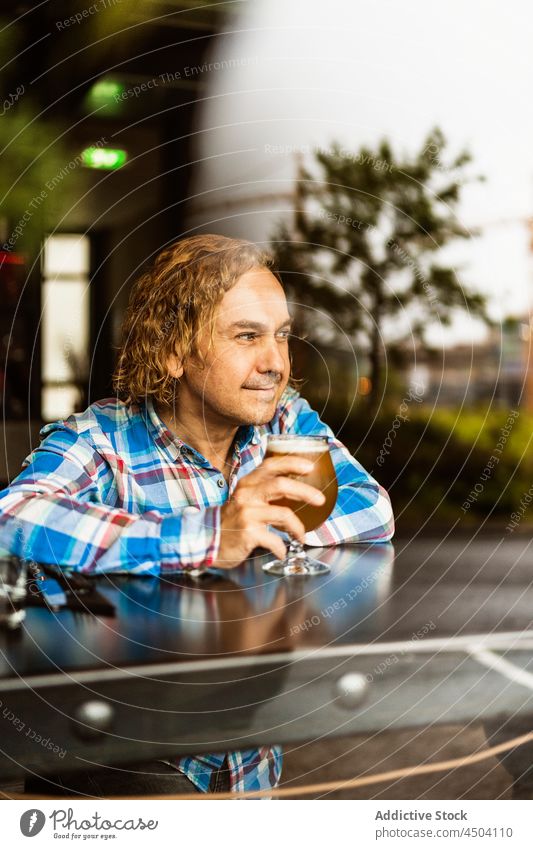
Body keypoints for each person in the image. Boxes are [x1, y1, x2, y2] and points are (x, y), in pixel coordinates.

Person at [0, 234, 394, 798]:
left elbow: (372, 506)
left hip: (251, 771)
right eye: (247, 336)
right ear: (174, 352)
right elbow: (12, 518)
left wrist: (270, 536)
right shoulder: (100, 439)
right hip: (120, 769)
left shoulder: (285, 423)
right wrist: (210, 533)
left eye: (281, 336)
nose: (276, 363)